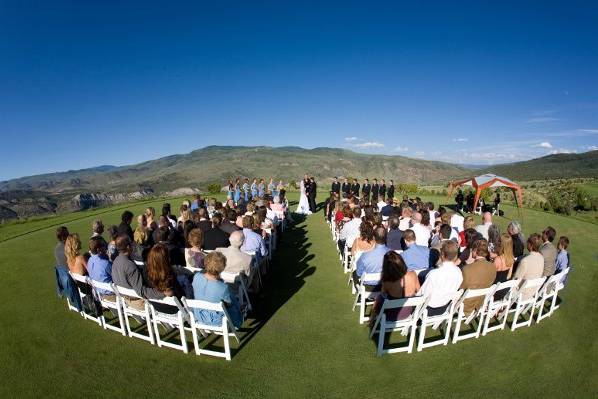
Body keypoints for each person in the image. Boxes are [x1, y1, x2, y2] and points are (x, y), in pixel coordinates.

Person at [112, 235, 165, 309]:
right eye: (131, 244)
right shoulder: (129, 265)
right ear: (128, 247)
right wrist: (162, 293)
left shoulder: (116, 261)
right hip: (138, 302)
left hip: (126, 298)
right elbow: (141, 291)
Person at [191, 252, 243, 328]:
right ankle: (239, 321)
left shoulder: (196, 276)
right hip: (216, 320)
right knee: (232, 303)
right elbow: (229, 305)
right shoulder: (223, 287)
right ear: (222, 267)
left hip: (199, 315)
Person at [370, 251, 421, 324]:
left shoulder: (387, 281)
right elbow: (418, 291)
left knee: (379, 298)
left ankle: (372, 320)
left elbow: (383, 294)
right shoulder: (413, 274)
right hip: (408, 311)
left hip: (392, 314)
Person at [417, 240, 463, 316]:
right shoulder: (459, 272)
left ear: (442, 254)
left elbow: (421, 295)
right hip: (444, 307)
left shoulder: (434, 274)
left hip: (428, 310)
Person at [460, 239, 496, 314]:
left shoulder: (467, 269)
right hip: (481, 302)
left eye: (472, 250)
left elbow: (460, 289)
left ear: (475, 251)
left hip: (466, 305)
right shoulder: (492, 267)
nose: (471, 252)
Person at [513, 233, 544, 299]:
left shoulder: (525, 261)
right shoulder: (541, 258)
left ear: (531, 245)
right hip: (533, 291)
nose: (527, 243)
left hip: (522, 294)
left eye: (528, 242)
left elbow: (515, 280)